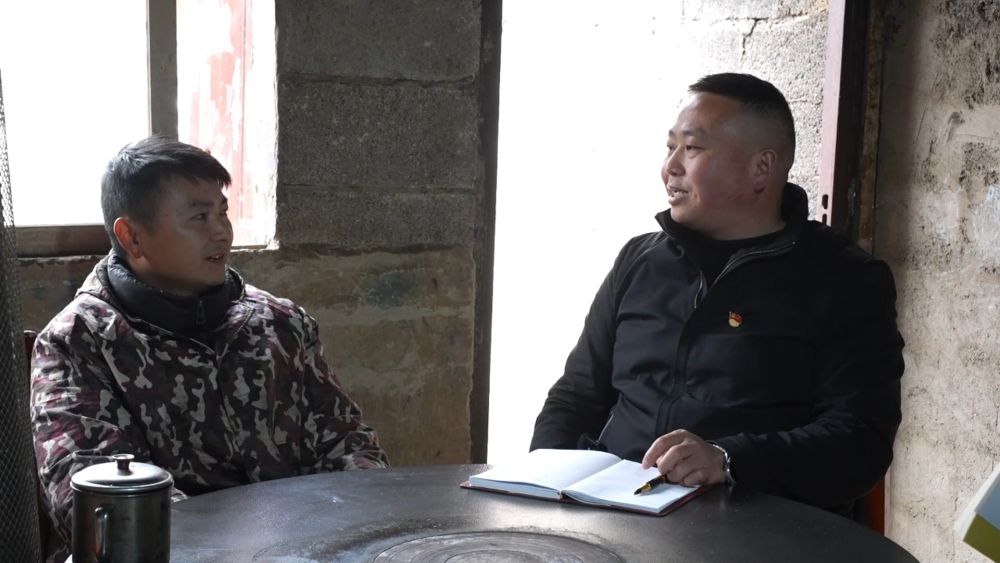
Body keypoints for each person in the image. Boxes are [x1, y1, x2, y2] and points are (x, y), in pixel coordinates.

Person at [530, 73, 903, 515]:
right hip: (615, 514)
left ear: (761, 168)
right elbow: (575, 397)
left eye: (692, 148)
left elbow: (859, 441)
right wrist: (542, 486)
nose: (670, 167)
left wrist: (728, 460)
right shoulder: (640, 261)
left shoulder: (845, 280)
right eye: (670, 147)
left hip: (751, 526)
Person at [30, 136, 389, 558]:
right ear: (132, 237)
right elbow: (99, 501)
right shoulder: (78, 341)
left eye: (222, 212)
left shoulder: (281, 324)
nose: (221, 232)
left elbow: (349, 445)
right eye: (199, 217)